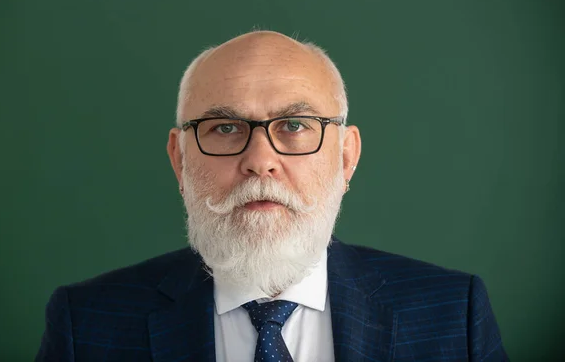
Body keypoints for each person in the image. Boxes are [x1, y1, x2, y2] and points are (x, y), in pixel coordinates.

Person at [36, 30, 509, 361]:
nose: (260, 160)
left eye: (295, 126)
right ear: (180, 161)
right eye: (224, 128)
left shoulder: (452, 314)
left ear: (346, 158)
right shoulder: (88, 325)